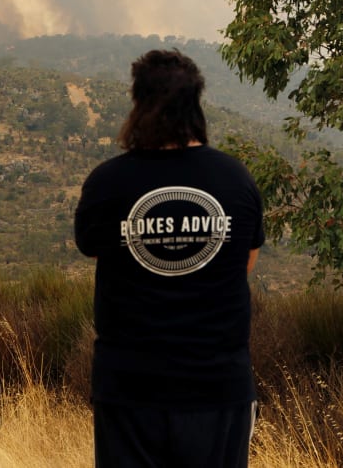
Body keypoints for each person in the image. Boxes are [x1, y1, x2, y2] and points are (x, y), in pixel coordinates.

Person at [74, 49, 264, 468]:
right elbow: (243, 265)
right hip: (218, 387)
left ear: (138, 103)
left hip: (130, 392)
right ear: (196, 103)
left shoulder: (108, 183)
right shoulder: (235, 180)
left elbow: (93, 249)